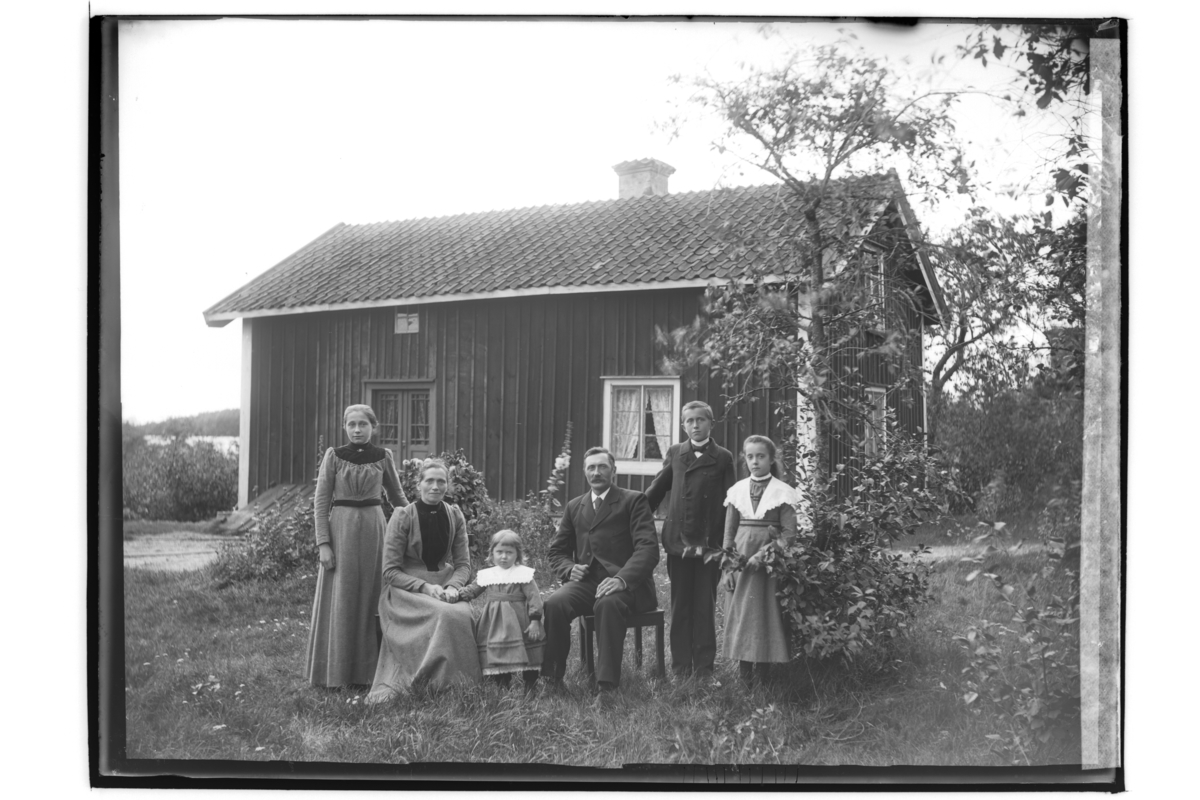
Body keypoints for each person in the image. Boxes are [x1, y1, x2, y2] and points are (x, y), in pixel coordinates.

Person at [541, 447, 660, 694]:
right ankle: (553, 679)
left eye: (602, 467)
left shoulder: (633, 500)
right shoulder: (575, 506)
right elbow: (557, 551)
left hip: (629, 586)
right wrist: (569, 568)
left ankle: (606, 687)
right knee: (555, 603)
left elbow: (648, 549)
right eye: (591, 468)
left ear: (613, 470)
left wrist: (621, 579)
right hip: (588, 583)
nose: (596, 472)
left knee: (607, 604)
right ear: (585, 472)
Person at [304, 404, 407, 688]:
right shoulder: (334, 456)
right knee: (343, 596)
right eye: (351, 424)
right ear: (345, 427)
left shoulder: (383, 457)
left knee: (374, 595)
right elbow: (321, 503)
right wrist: (323, 544)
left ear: (374, 427)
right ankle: (337, 672)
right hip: (341, 532)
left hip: (375, 530)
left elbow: (397, 498)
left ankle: (372, 672)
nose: (357, 430)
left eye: (363, 424)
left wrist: (419, 521)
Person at [366, 459, 480, 702]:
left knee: (462, 613)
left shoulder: (455, 515)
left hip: (445, 585)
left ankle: (463, 684)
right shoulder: (403, 516)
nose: (435, 486)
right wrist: (425, 587)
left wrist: (453, 587)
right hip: (406, 590)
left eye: (441, 481)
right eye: (429, 481)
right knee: (446, 614)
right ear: (419, 485)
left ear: (447, 485)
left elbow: (463, 564)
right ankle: (433, 684)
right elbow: (390, 571)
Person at [644, 400, 736, 681]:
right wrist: (633, 514)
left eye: (700, 420)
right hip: (678, 543)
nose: (695, 425)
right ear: (683, 425)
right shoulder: (676, 453)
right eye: (689, 421)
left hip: (710, 544)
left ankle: (704, 669)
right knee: (681, 605)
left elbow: (732, 502)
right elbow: (656, 490)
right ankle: (681, 668)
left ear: (711, 423)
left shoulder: (723, 457)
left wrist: (728, 546)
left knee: (705, 607)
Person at [721, 435, 801, 687]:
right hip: (741, 562)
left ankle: (764, 679)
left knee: (763, 615)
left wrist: (765, 554)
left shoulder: (783, 492)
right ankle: (744, 679)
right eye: (750, 456)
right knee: (743, 615)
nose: (755, 461)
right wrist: (727, 568)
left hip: (769, 564)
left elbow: (789, 534)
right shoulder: (736, 491)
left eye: (760, 456)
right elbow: (729, 534)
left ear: (771, 459)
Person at [456, 529, 545, 694]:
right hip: (494, 621)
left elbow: (534, 598)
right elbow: (473, 590)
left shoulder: (523, 574)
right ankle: (502, 685)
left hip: (519, 621)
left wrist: (535, 620)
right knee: (497, 650)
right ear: (492, 553)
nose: (504, 557)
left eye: (509, 553)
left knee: (528, 650)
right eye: (500, 552)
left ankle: (530, 685)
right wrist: (459, 594)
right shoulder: (488, 574)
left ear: (517, 555)